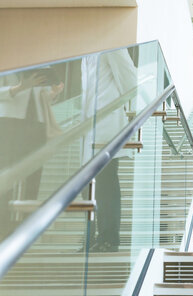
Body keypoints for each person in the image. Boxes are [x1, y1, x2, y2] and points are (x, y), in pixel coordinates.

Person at [0, 69, 63, 238]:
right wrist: (21, 86)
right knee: (1, 172)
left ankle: (25, 227)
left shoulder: (43, 64)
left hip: (37, 124)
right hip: (8, 121)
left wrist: (53, 94)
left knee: (33, 175)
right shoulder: (3, 60)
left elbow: (40, 98)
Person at [81, 48, 136, 252]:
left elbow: (130, 80)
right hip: (89, 126)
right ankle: (90, 239)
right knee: (91, 186)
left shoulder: (113, 47)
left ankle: (109, 238)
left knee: (106, 182)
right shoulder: (85, 54)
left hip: (106, 126)